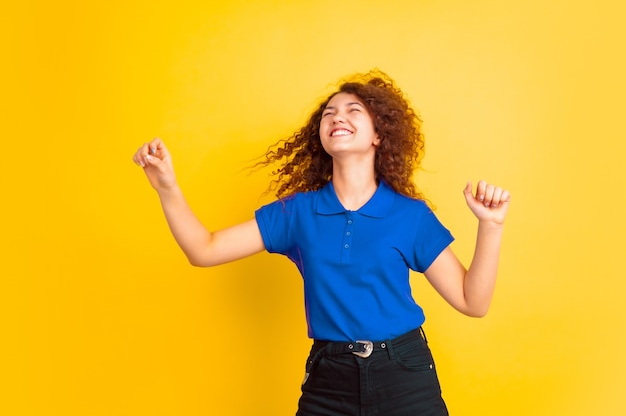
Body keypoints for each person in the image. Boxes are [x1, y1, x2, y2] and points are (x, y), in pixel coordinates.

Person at [132, 70, 510, 416]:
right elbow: (204, 250)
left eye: (353, 110)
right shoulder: (296, 213)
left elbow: (472, 302)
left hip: (404, 376)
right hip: (330, 379)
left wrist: (490, 226)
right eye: (328, 113)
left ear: (378, 134)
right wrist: (167, 187)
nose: (336, 117)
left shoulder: (409, 215)